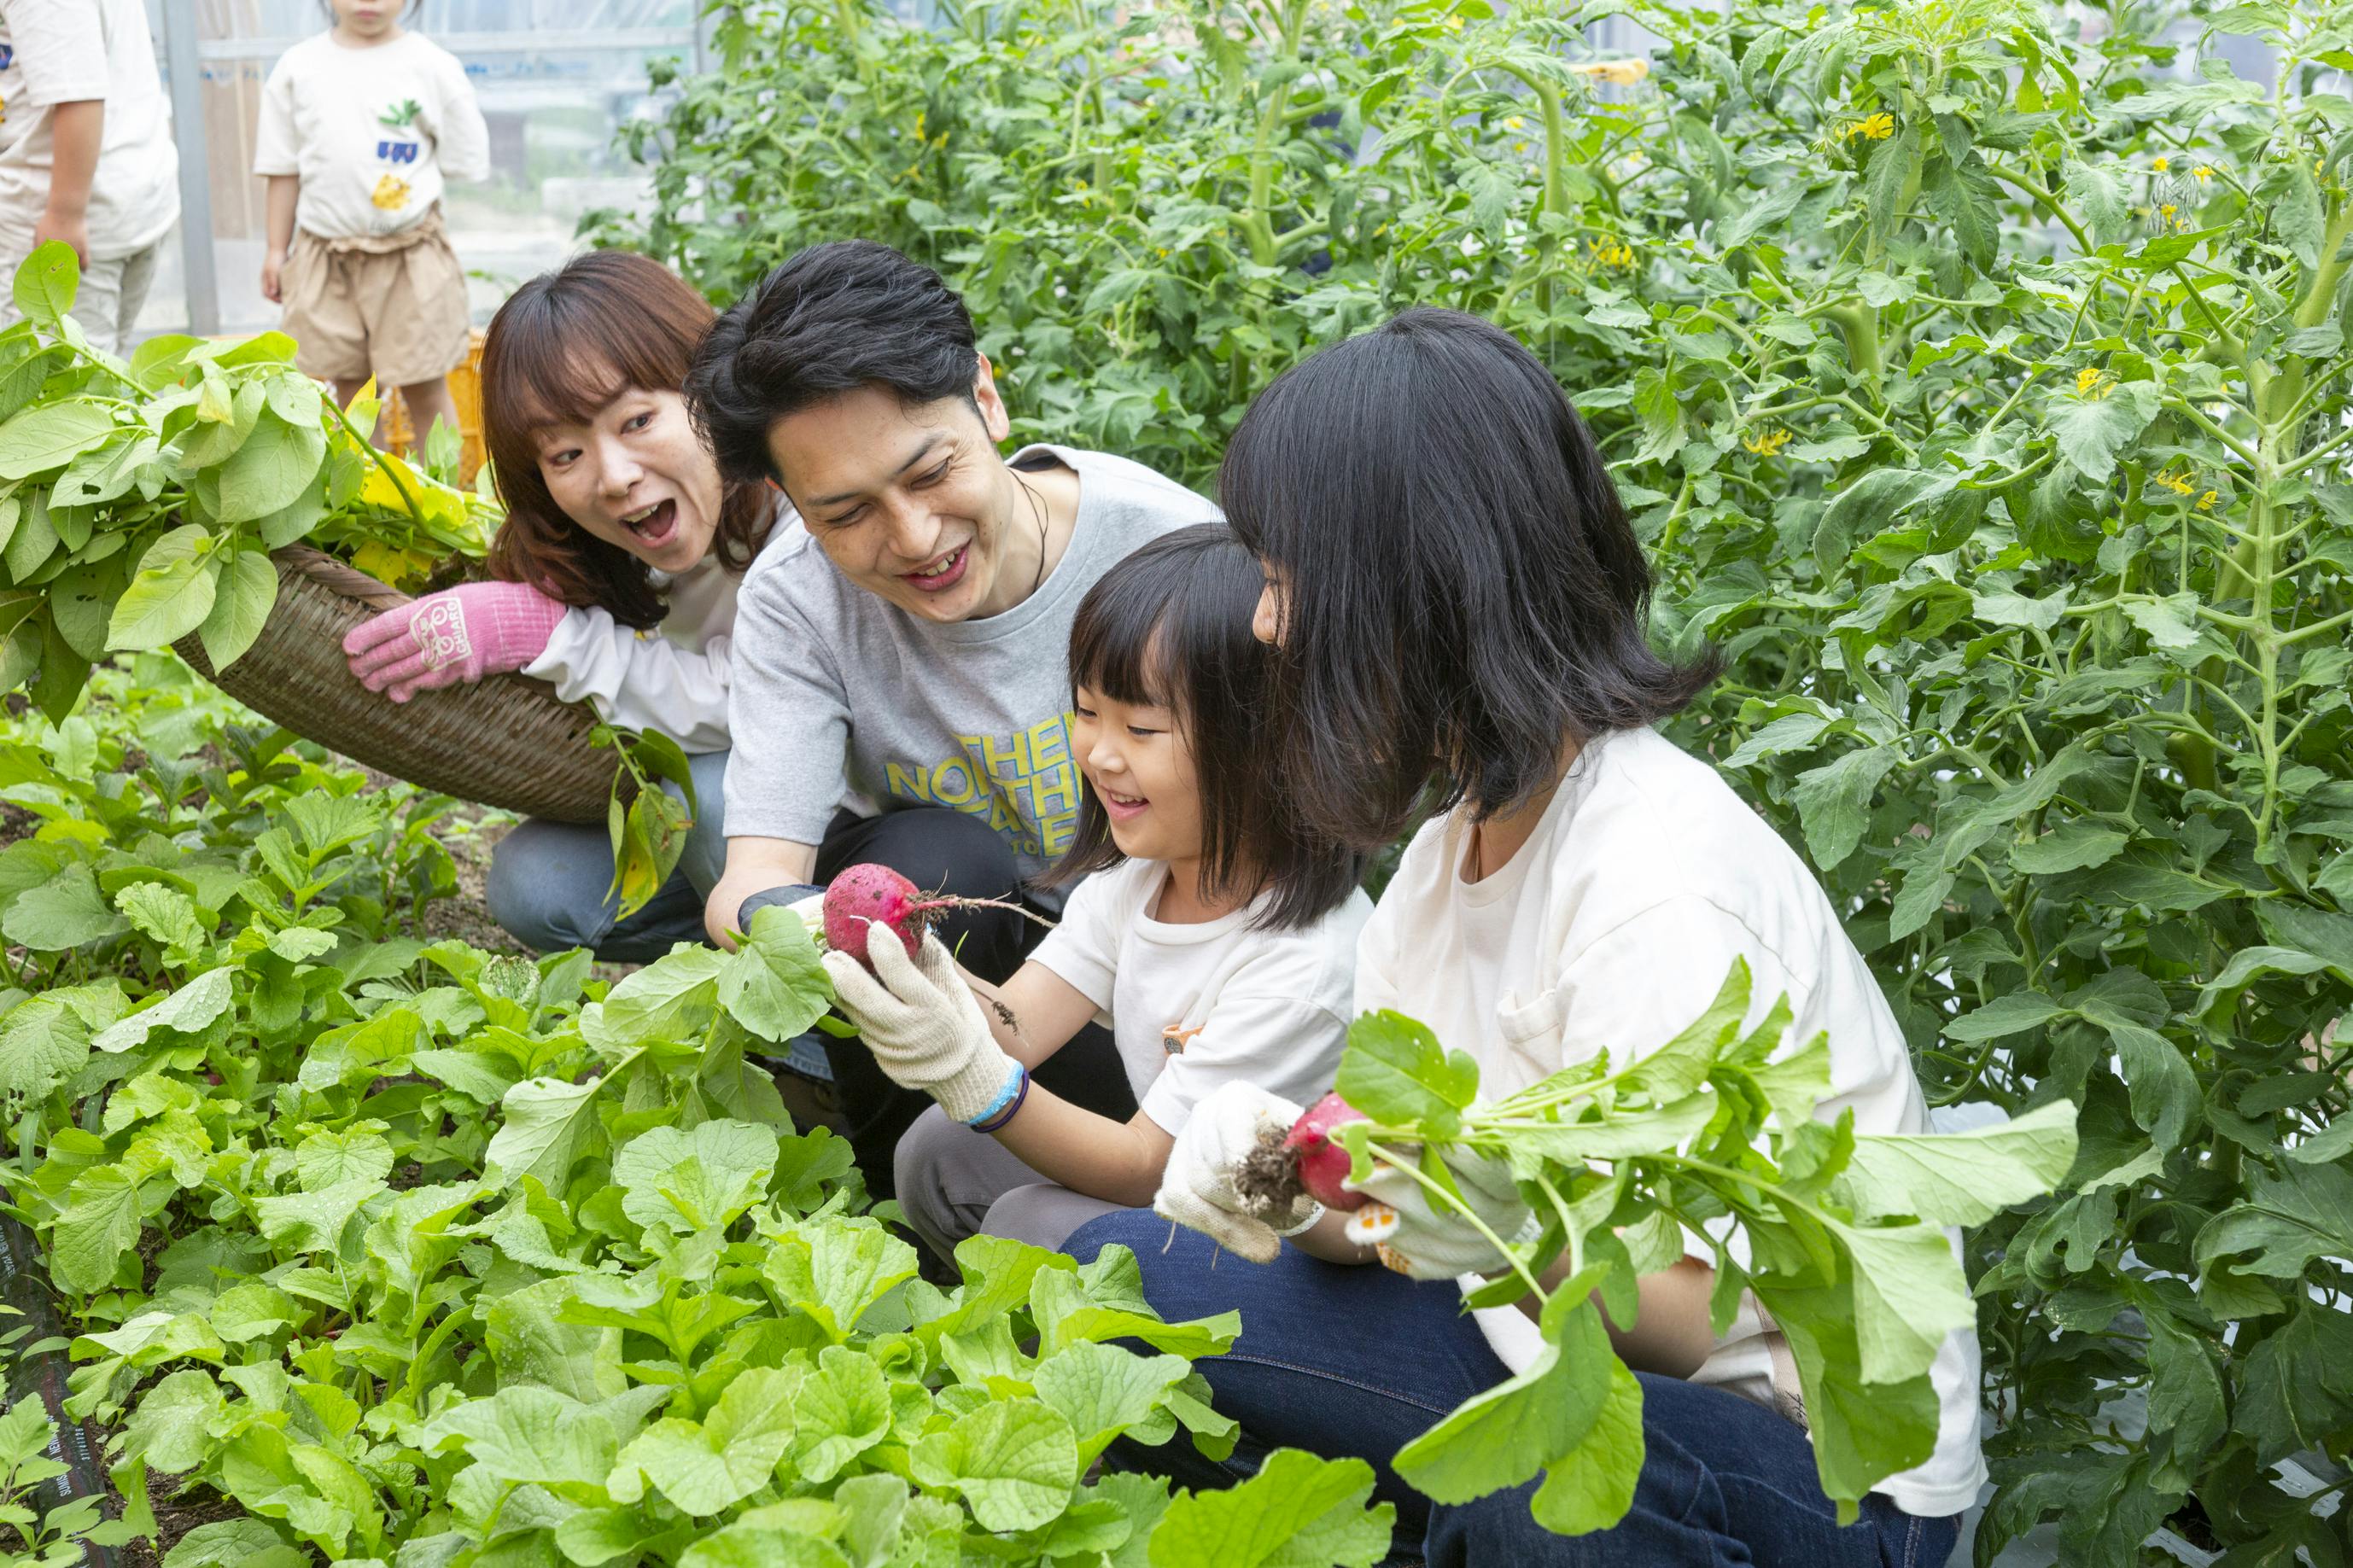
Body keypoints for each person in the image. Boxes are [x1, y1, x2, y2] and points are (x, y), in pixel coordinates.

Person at [1083, 309, 1978, 1567]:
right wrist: (1286, 1175)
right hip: (1532, 1346)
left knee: (1548, 1487)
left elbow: (1678, 1321)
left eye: (1284, 577)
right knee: (1118, 1278)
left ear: (1414, 592)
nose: (1267, 625)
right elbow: (1389, 1208)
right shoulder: (1447, 857)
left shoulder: (1653, 891)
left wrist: (1487, 1220)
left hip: (1799, 1465)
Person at [682, 238, 1225, 1197]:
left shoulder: (1169, 555)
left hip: (1169, 990)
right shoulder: (798, 599)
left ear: (985, 397)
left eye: (930, 473)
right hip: (981, 972)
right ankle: (902, 1196)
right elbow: (750, 885)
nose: (914, 536)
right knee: (929, 862)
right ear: (787, 501)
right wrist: (848, 932)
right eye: (845, 513)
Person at [819, 526, 1369, 1261]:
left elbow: (1146, 1167)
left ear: (1268, 743)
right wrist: (909, 965)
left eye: (1140, 727)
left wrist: (984, 1086)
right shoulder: (1137, 879)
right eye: (1086, 712)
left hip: (1280, 1249)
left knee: (1029, 1223)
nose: (1100, 754)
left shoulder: (1300, 966)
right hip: (1176, 1180)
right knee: (936, 1155)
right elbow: (1017, 1027)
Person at [342, 250, 777, 961]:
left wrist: (548, 634)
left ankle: (806, 993)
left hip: (862, 816)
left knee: (713, 794)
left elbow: (756, 703)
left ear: (707, 388)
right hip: (733, 830)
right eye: (565, 455)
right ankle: (727, 937)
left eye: (637, 420)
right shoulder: (606, 539)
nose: (615, 477)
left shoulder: (801, 509)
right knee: (535, 883)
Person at [254, 0, 488, 447]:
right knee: (352, 389)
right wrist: (275, 249)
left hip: (410, 255)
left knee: (425, 384)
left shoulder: (431, 66)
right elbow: (282, 169)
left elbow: (464, 155)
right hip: (327, 255)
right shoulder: (299, 68)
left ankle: (442, 488)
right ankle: (367, 488)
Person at [0, 0, 180, 352]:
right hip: (127, 196)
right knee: (98, 367)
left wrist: (64, 216)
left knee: (57, 376)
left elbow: (78, 96)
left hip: (62, 224)